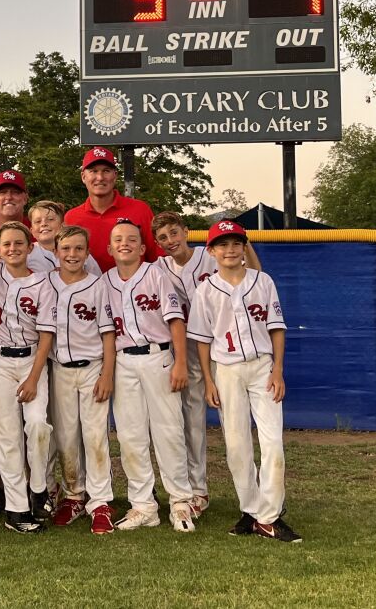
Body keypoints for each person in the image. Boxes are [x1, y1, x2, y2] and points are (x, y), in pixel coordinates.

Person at [188, 220, 302, 542]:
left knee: (272, 445)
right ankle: (252, 511)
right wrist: (209, 381)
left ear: (245, 247)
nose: (230, 249)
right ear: (211, 251)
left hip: (262, 366)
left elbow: (276, 327)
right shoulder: (205, 290)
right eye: (222, 244)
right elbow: (202, 340)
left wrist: (278, 369)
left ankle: (270, 515)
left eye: (236, 243)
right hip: (226, 370)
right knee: (237, 446)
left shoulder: (263, 281)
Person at [152, 210, 262, 516]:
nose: (170, 241)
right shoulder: (159, 267)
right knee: (192, 421)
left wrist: (243, 238)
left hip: (226, 346)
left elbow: (253, 271)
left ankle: (257, 492)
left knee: (239, 423)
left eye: (174, 232)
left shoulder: (209, 253)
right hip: (188, 348)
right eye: (162, 237)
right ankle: (198, 490)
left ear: (186, 231)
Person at [103, 220, 195, 533]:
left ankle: (181, 501)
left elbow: (176, 321)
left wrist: (180, 363)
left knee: (168, 431)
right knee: (130, 435)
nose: (124, 243)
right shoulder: (105, 281)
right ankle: (143, 506)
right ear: (109, 248)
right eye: (117, 239)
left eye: (131, 239)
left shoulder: (157, 274)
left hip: (159, 357)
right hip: (124, 361)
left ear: (143, 248)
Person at [38, 225, 117, 536]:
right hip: (59, 369)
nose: (72, 254)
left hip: (92, 367)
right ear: (56, 251)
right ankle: (74, 495)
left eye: (78, 249)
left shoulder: (98, 285)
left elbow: (108, 333)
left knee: (95, 435)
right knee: (67, 436)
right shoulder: (45, 282)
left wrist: (107, 373)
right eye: (66, 248)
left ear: (87, 253)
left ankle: (100, 501)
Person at [0, 222, 53, 534]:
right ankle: (17, 509)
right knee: (7, 435)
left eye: (18, 243)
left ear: (30, 246)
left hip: (32, 359)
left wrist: (34, 377)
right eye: (6, 244)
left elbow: (47, 333)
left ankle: (38, 487)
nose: (12, 249)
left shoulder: (43, 282)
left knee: (37, 425)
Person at [64, 147, 162, 273]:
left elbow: (156, 257)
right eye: (93, 171)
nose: (100, 177)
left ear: (115, 175)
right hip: (88, 291)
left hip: (136, 289)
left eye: (106, 171)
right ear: (83, 177)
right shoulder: (71, 217)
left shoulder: (140, 209)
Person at [27, 200, 101, 275]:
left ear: (62, 226)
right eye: (38, 221)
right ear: (32, 231)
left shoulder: (79, 250)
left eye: (50, 219)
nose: (44, 224)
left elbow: (97, 280)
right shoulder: (28, 254)